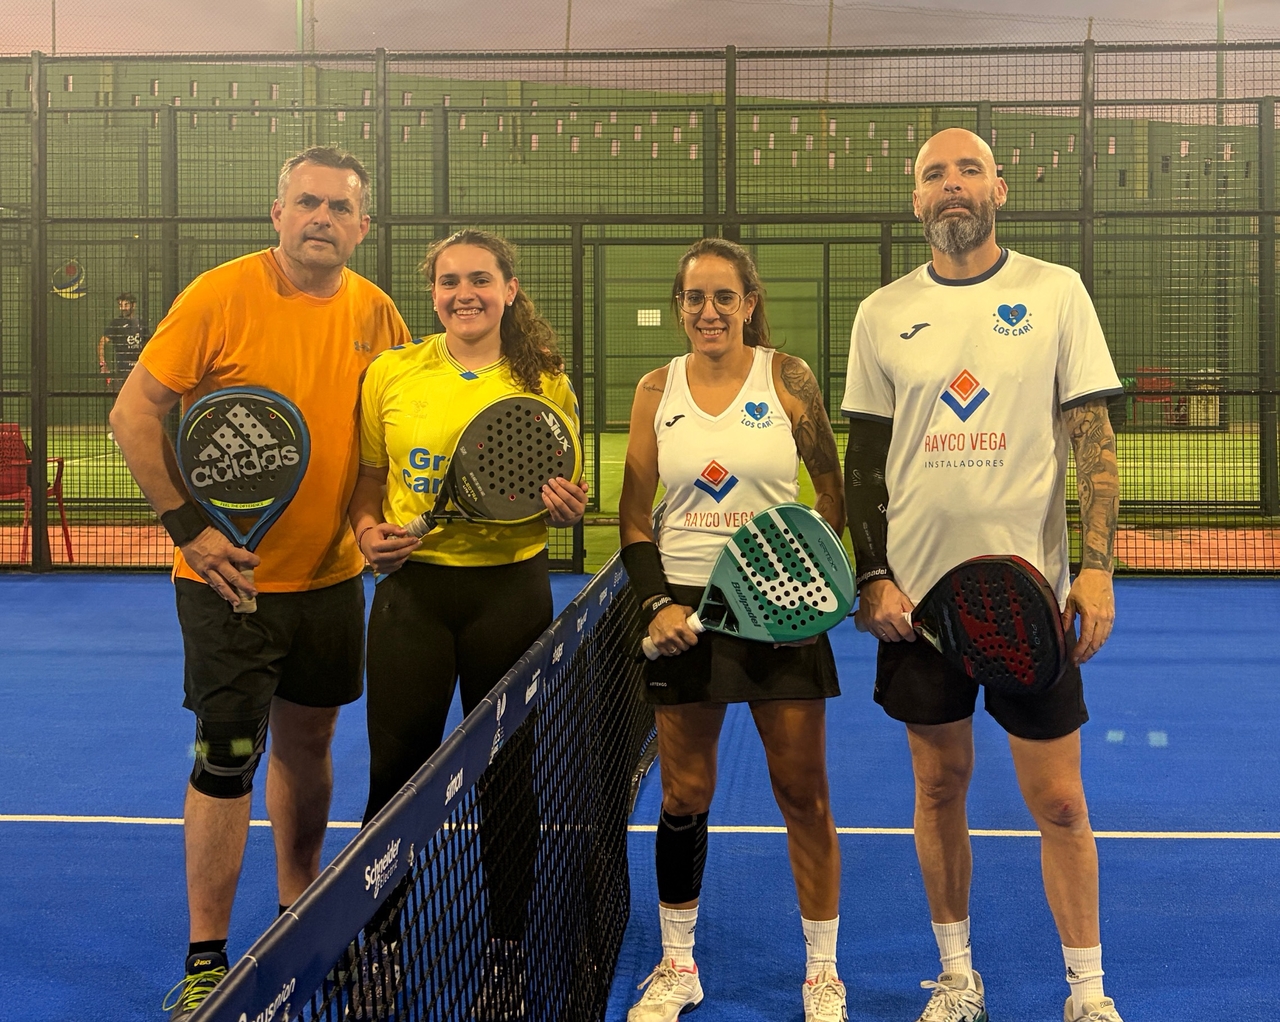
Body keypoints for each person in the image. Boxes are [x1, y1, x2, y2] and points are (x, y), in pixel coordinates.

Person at [108, 146, 412, 1022]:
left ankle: (296, 915)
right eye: (306, 202)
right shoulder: (219, 295)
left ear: (363, 226)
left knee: (310, 748)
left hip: (330, 582)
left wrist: (375, 525)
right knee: (228, 753)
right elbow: (133, 413)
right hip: (227, 580)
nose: (322, 218)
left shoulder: (378, 312)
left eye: (339, 207)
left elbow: (385, 441)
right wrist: (190, 530)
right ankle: (207, 957)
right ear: (277, 213)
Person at [842, 128, 1124, 1022]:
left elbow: (1094, 442)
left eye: (969, 170)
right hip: (918, 608)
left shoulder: (1055, 292)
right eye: (935, 174)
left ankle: (1088, 993)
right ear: (916, 199)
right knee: (938, 789)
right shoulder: (882, 312)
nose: (952, 184)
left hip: (1030, 603)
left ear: (1000, 188)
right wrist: (873, 577)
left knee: (1062, 802)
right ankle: (958, 978)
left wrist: (1097, 568)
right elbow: (864, 465)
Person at [347, 228, 588, 1019]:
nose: (464, 294)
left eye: (480, 279)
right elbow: (369, 478)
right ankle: (381, 947)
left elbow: (559, 486)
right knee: (394, 780)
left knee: (508, 780)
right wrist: (366, 532)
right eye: (449, 281)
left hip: (510, 596)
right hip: (411, 600)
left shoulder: (546, 382)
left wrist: (568, 507)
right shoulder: (392, 372)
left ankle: (506, 954)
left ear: (509, 289)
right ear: (434, 292)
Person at [618, 237, 848, 1022]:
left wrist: (798, 571)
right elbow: (633, 519)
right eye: (695, 298)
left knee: (802, 793)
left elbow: (830, 492)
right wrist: (658, 604)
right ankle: (677, 965)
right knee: (684, 792)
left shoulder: (788, 379)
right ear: (680, 307)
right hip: (684, 607)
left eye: (725, 297)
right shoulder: (656, 389)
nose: (709, 311)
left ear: (750, 302)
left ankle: (822, 974)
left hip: (779, 603)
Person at [98, 292, 149, 393]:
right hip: (122, 373)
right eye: (121, 305)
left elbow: (149, 344)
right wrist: (103, 364)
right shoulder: (116, 323)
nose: (123, 308)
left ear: (133, 305)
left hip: (140, 372)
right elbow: (102, 342)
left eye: (126, 305)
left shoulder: (141, 323)